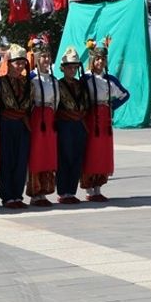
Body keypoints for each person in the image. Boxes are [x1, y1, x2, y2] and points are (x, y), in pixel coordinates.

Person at [82, 40, 130, 202]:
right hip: (90, 116)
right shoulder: (86, 78)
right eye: (97, 59)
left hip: (104, 117)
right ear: (92, 60)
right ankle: (89, 188)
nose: (100, 62)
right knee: (91, 151)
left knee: (103, 152)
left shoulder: (110, 79)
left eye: (103, 59)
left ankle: (98, 187)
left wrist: (111, 106)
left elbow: (124, 94)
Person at [0, 44, 32, 210]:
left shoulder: (28, 83)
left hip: (22, 124)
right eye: (17, 63)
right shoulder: (0, 81)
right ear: (9, 63)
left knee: (21, 160)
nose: (20, 66)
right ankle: (7, 196)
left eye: (22, 63)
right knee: (6, 160)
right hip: (6, 125)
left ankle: (18, 194)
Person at [26, 38, 60, 207]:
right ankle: (34, 192)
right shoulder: (31, 78)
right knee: (36, 155)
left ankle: (45, 191)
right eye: (43, 57)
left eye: (48, 56)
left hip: (49, 117)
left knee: (48, 155)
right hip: (36, 117)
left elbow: (57, 102)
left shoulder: (54, 80)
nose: (46, 60)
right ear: (37, 58)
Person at [55, 47, 89, 205]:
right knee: (65, 157)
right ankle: (63, 191)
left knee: (77, 157)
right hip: (64, 124)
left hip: (79, 125)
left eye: (75, 67)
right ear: (63, 68)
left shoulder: (81, 84)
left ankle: (72, 191)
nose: (72, 70)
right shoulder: (58, 85)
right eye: (69, 67)